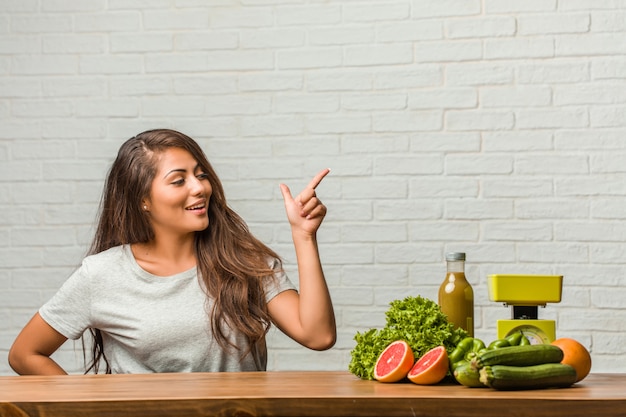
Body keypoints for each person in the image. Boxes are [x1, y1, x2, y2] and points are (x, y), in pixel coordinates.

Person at [8, 129, 336, 375]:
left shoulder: (242, 261)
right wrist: (86, 407)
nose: (199, 187)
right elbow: (25, 354)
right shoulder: (102, 274)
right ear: (143, 200)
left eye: (200, 174)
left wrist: (303, 236)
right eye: (179, 181)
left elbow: (317, 335)